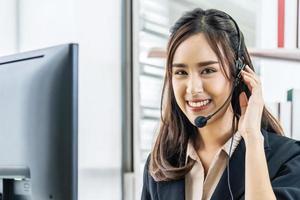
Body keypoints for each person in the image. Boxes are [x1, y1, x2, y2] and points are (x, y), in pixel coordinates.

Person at [141, 8, 300, 200]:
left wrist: (252, 138)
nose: (192, 88)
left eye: (208, 70)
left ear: (239, 74)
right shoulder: (160, 165)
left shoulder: (288, 159)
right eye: (181, 72)